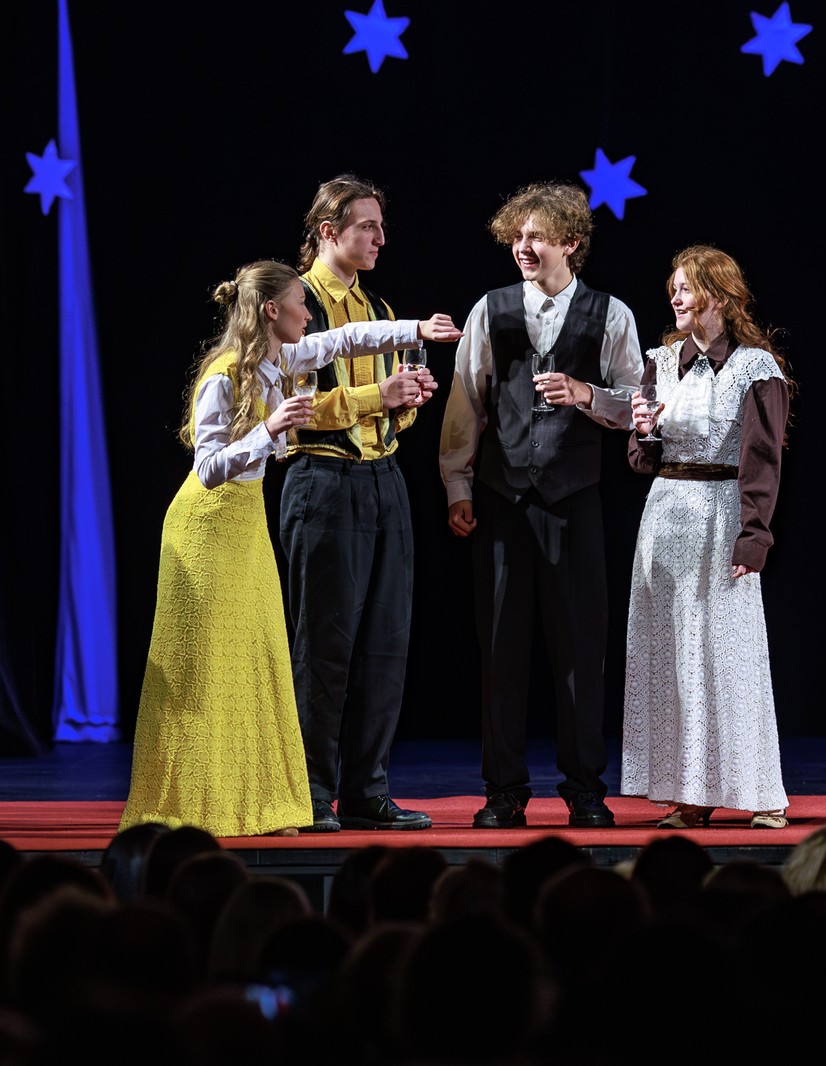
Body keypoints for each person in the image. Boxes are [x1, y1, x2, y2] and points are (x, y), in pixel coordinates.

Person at [120, 260, 459, 838]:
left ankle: (250, 805)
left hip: (245, 520)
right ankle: (193, 803)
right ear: (272, 310)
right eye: (301, 303)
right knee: (207, 666)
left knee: (254, 663)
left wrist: (416, 330)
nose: (309, 313)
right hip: (205, 527)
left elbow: (348, 338)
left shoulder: (281, 359)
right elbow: (207, 469)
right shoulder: (224, 376)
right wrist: (270, 428)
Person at [438, 182, 641, 829]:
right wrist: (458, 485)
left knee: (580, 648)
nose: (523, 247)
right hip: (502, 499)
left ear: (571, 242)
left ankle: (585, 789)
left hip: (573, 499)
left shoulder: (610, 314)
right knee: (502, 648)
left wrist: (586, 394)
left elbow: (636, 405)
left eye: (537, 237)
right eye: (517, 237)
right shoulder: (491, 309)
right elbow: (465, 402)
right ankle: (503, 792)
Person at [283, 176, 437, 832]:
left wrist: (410, 398)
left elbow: (395, 405)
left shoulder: (378, 307)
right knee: (324, 645)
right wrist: (382, 396)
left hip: (383, 480)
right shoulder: (294, 303)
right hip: (323, 480)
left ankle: (367, 791)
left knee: (385, 644)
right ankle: (311, 793)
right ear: (328, 231)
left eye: (380, 226)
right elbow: (290, 409)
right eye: (366, 226)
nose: (380, 238)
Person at [621, 245, 792, 831]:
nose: (675, 297)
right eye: (673, 288)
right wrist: (644, 434)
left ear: (718, 295)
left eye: (686, 288)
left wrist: (754, 537)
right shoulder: (662, 361)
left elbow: (763, 460)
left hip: (720, 517)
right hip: (664, 517)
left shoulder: (754, 367)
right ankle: (690, 794)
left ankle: (763, 792)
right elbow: (642, 459)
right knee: (673, 658)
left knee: (729, 656)